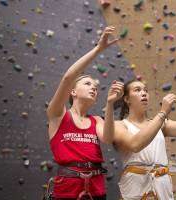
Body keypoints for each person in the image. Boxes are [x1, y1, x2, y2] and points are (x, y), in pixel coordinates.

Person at [46, 26, 123, 200]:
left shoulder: (96, 120)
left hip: (96, 189)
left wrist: (110, 104)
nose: (94, 88)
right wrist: (98, 49)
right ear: (72, 92)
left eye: (95, 87)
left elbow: (108, 139)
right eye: (88, 84)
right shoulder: (58, 114)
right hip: (67, 190)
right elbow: (68, 77)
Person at [112, 76, 176, 200]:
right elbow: (135, 144)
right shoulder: (119, 125)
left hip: (161, 185)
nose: (143, 93)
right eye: (137, 90)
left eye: (145, 90)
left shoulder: (160, 124)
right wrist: (163, 112)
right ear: (126, 99)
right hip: (135, 186)